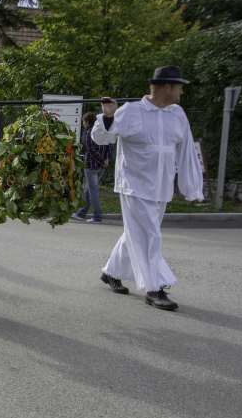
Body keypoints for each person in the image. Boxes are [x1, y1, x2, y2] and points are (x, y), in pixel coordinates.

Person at [91, 66, 204, 311]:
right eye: (179, 88)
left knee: (137, 233)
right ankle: (155, 288)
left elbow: (186, 152)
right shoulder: (131, 111)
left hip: (162, 186)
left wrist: (190, 186)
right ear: (167, 87)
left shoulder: (177, 114)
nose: (181, 92)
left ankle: (111, 272)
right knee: (149, 235)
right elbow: (101, 138)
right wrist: (108, 116)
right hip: (135, 184)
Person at [72, 112, 112, 223]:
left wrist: (100, 160)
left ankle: (97, 216)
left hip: (91, 165)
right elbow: (110, 146)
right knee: (89, 189)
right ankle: (81, 213)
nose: (83, 124)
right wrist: (106, 160)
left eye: (84, 122)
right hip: (102, 166)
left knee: (93, 191)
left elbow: (90, 149)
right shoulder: (103, 132)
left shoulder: (88, 132)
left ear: (87, 122)